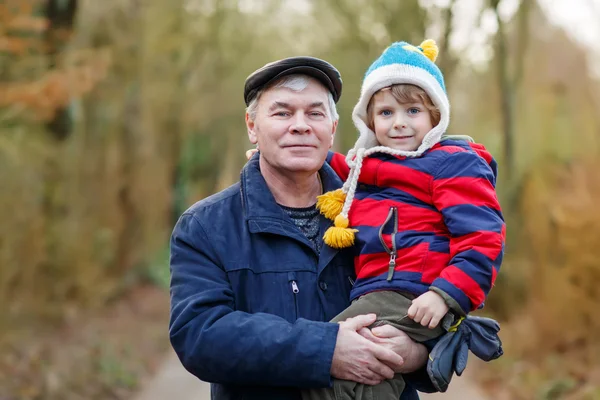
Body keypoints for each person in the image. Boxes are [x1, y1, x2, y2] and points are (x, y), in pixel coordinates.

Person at [169, 56, 437, 400]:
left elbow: (442, 294)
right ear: (252, 125)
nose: (300, 125)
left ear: (333, 128)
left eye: (315, 113)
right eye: (282, 113)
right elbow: (199, 336)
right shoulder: (205, 227)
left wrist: (416, 353)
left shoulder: (384, 209)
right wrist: (325, 350)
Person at [303, 39, 506, 400]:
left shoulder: (453, 164)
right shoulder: (373, 165)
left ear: (435, 116)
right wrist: (296, 157)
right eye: (386, 113)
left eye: (412, 111)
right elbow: (341, 168)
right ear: (369, 120)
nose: (398, 124)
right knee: (368, 373)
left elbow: (483, 237)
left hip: (416, 294)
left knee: (330, 355)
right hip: (379, 290)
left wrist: (445, 296)